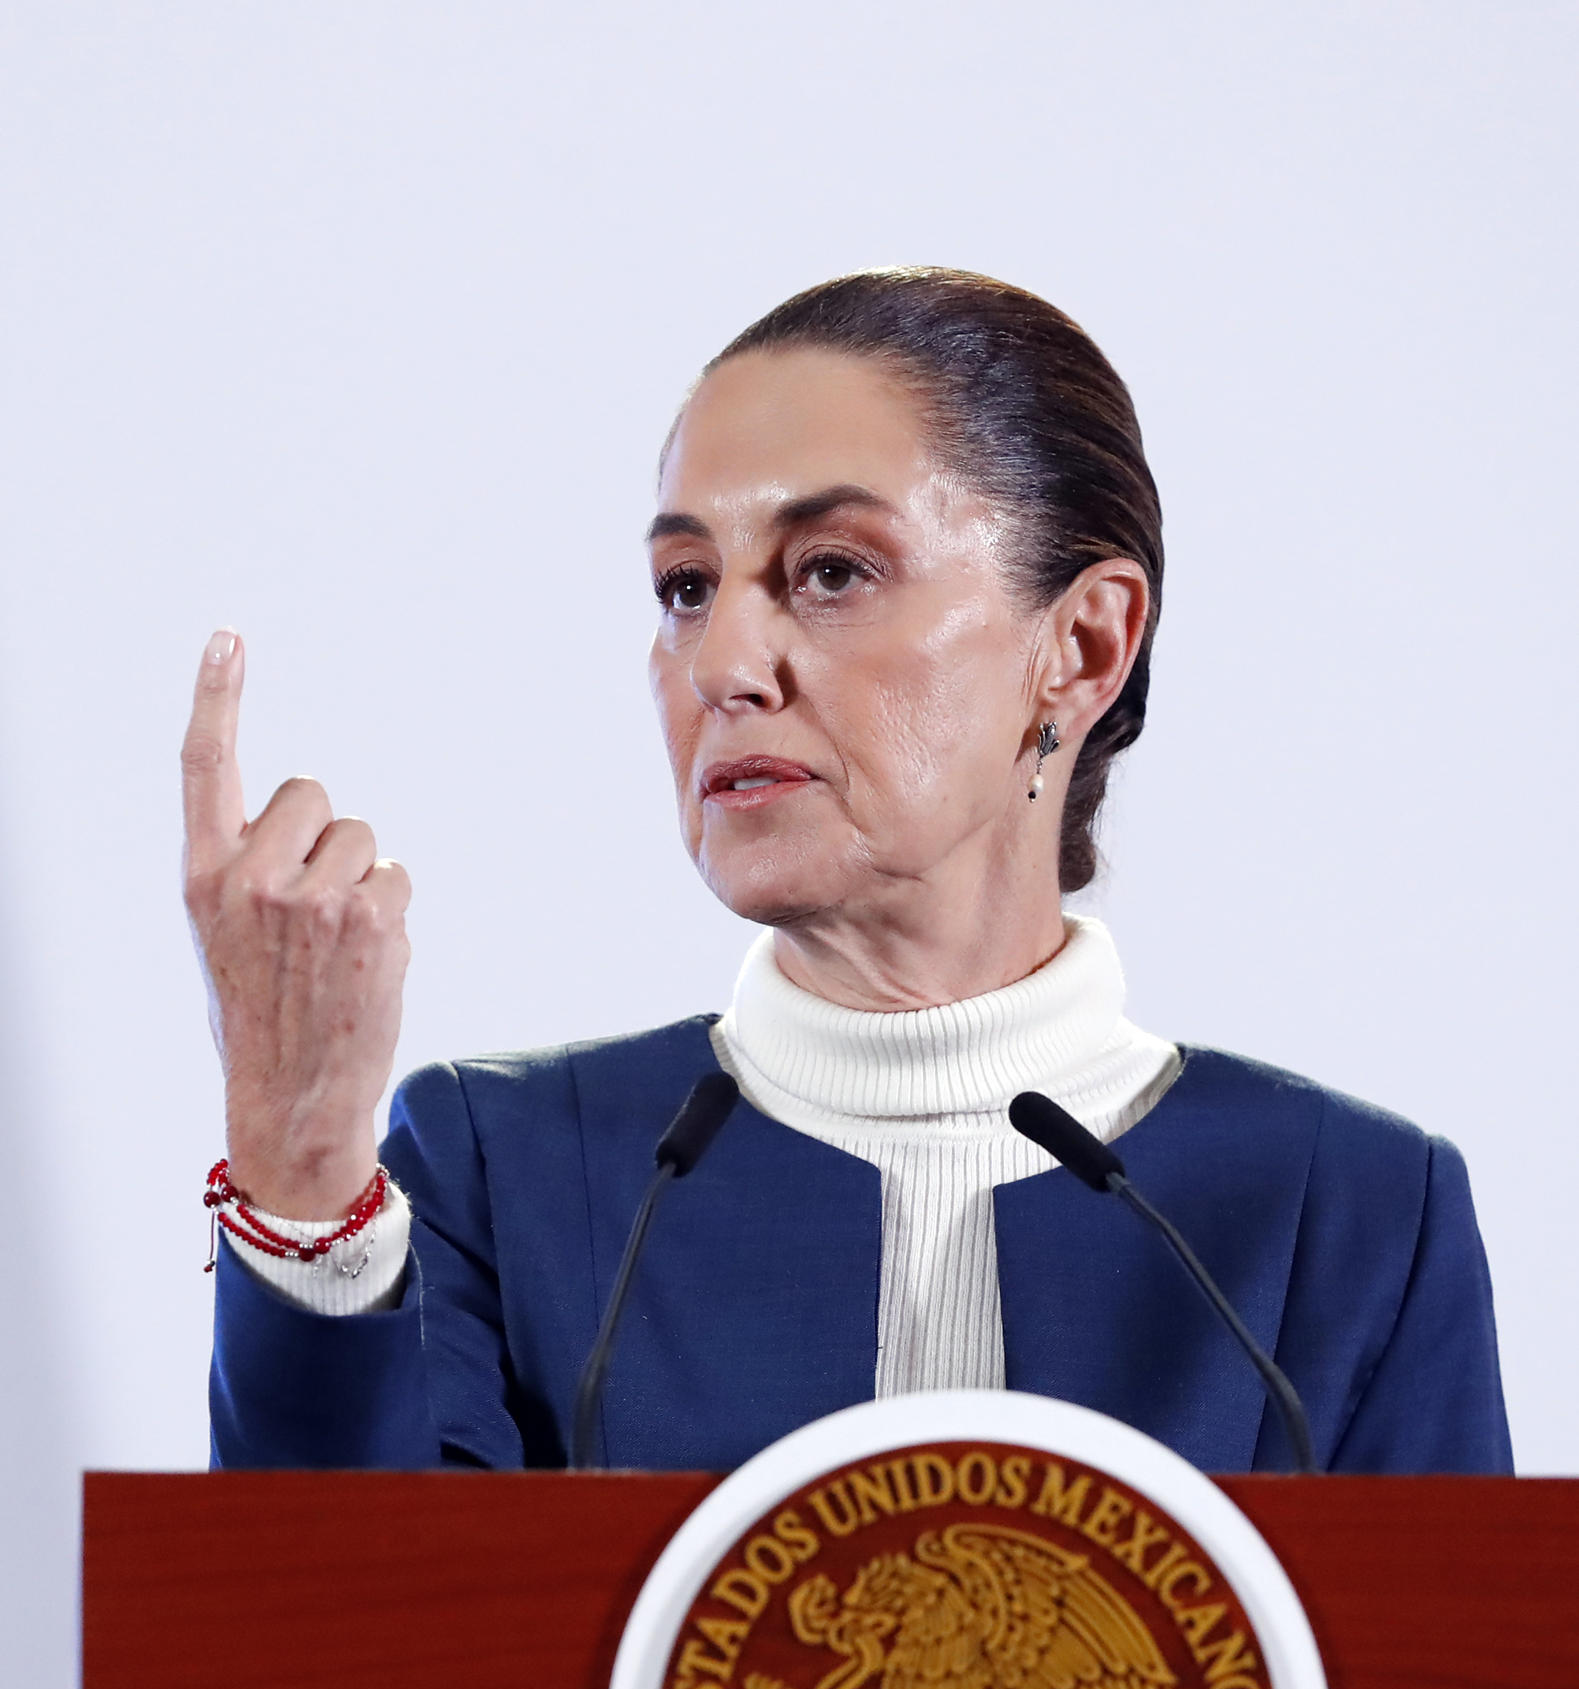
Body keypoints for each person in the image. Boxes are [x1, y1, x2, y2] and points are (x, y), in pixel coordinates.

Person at [185, 268, 1512, 1475]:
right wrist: (301, 1164)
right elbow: (351, 1672)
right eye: (687, 585)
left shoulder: (1348, 1220)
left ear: (1085, 648)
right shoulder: (507, 1171)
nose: (720, 666)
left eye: (829, 571)